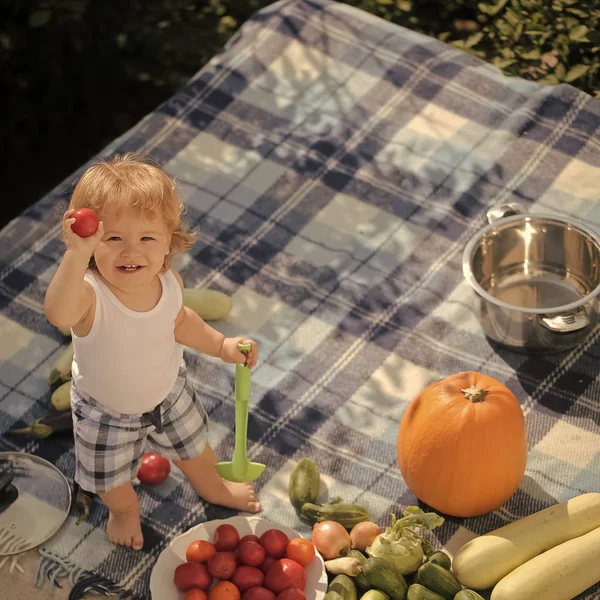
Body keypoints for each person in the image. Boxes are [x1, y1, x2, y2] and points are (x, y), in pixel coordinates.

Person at [44, 152, 261, 551]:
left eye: (147, 238)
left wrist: (221, 345)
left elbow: (180, 321)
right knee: (112, 485)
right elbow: (57, 311)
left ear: (168, 243)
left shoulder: (169, 280)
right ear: (92, 245)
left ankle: (214, 488)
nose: (132, 252)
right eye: (113, 239)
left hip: (169, 392)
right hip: (104, 411)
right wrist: (75, 255)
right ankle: (124, 513)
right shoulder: (91, 296)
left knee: (197, 452)